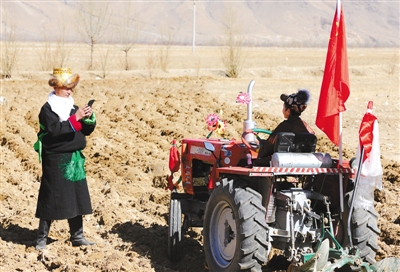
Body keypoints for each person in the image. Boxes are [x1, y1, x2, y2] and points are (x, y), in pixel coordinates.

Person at [33, 67, 97, 250]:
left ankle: (77, 236)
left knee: (76, 196)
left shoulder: (73, 107)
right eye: (66, 87)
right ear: (56, 86)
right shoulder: (47, 109)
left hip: (75, 158)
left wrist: (88, 118)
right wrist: (75, 118)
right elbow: (54, 131)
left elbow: (85, 130)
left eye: (71, 88)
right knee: (51, 195)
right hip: (56, 159)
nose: (70, 91)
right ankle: (41, 239)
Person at [254, 89, 315, 166]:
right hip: (303, 162)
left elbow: (267, 148)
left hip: (282, 163)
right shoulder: (306, 127)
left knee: (255, 164)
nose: (282, 110)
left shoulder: (285, 125)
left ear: (288, 111)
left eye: (283, 108)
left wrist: (260, 153)